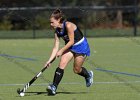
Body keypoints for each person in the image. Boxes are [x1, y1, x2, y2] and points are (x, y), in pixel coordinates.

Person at [44, 9, 93, 96]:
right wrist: (49, 60)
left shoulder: (69, 25)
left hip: (81, 46)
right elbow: (55, 47)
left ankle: (88, 75)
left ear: (58, 20)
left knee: (76, 70)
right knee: (62, 64)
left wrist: (61, 50)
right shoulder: (57, 32)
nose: (51, 25)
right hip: (70, 47)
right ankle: (54, 87)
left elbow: (71, 41)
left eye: (52, 22)